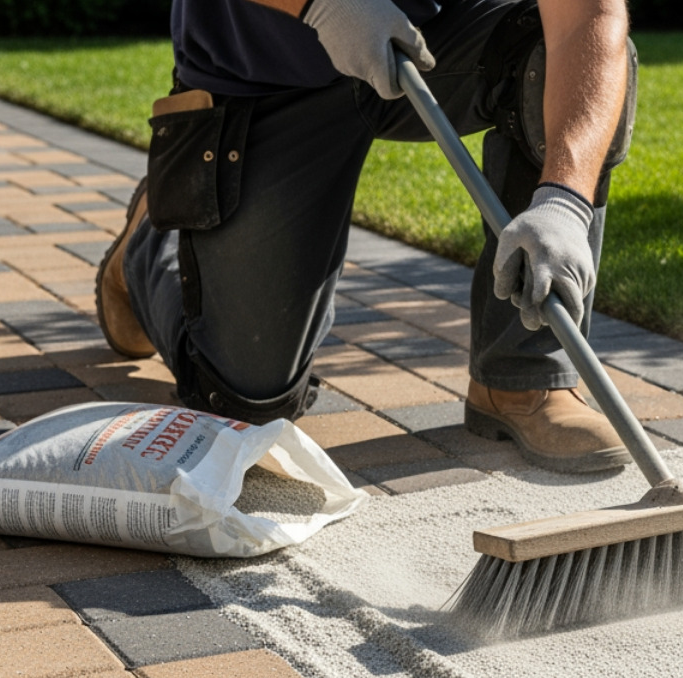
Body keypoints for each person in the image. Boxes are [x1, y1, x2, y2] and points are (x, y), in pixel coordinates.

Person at [95, 0, 638, 472]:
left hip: (420, 44)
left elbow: (587, 20)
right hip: (262, 73)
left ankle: (524, 376)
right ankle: (151, 246)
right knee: (245, 406)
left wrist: (565, 198)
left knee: (545, 56)